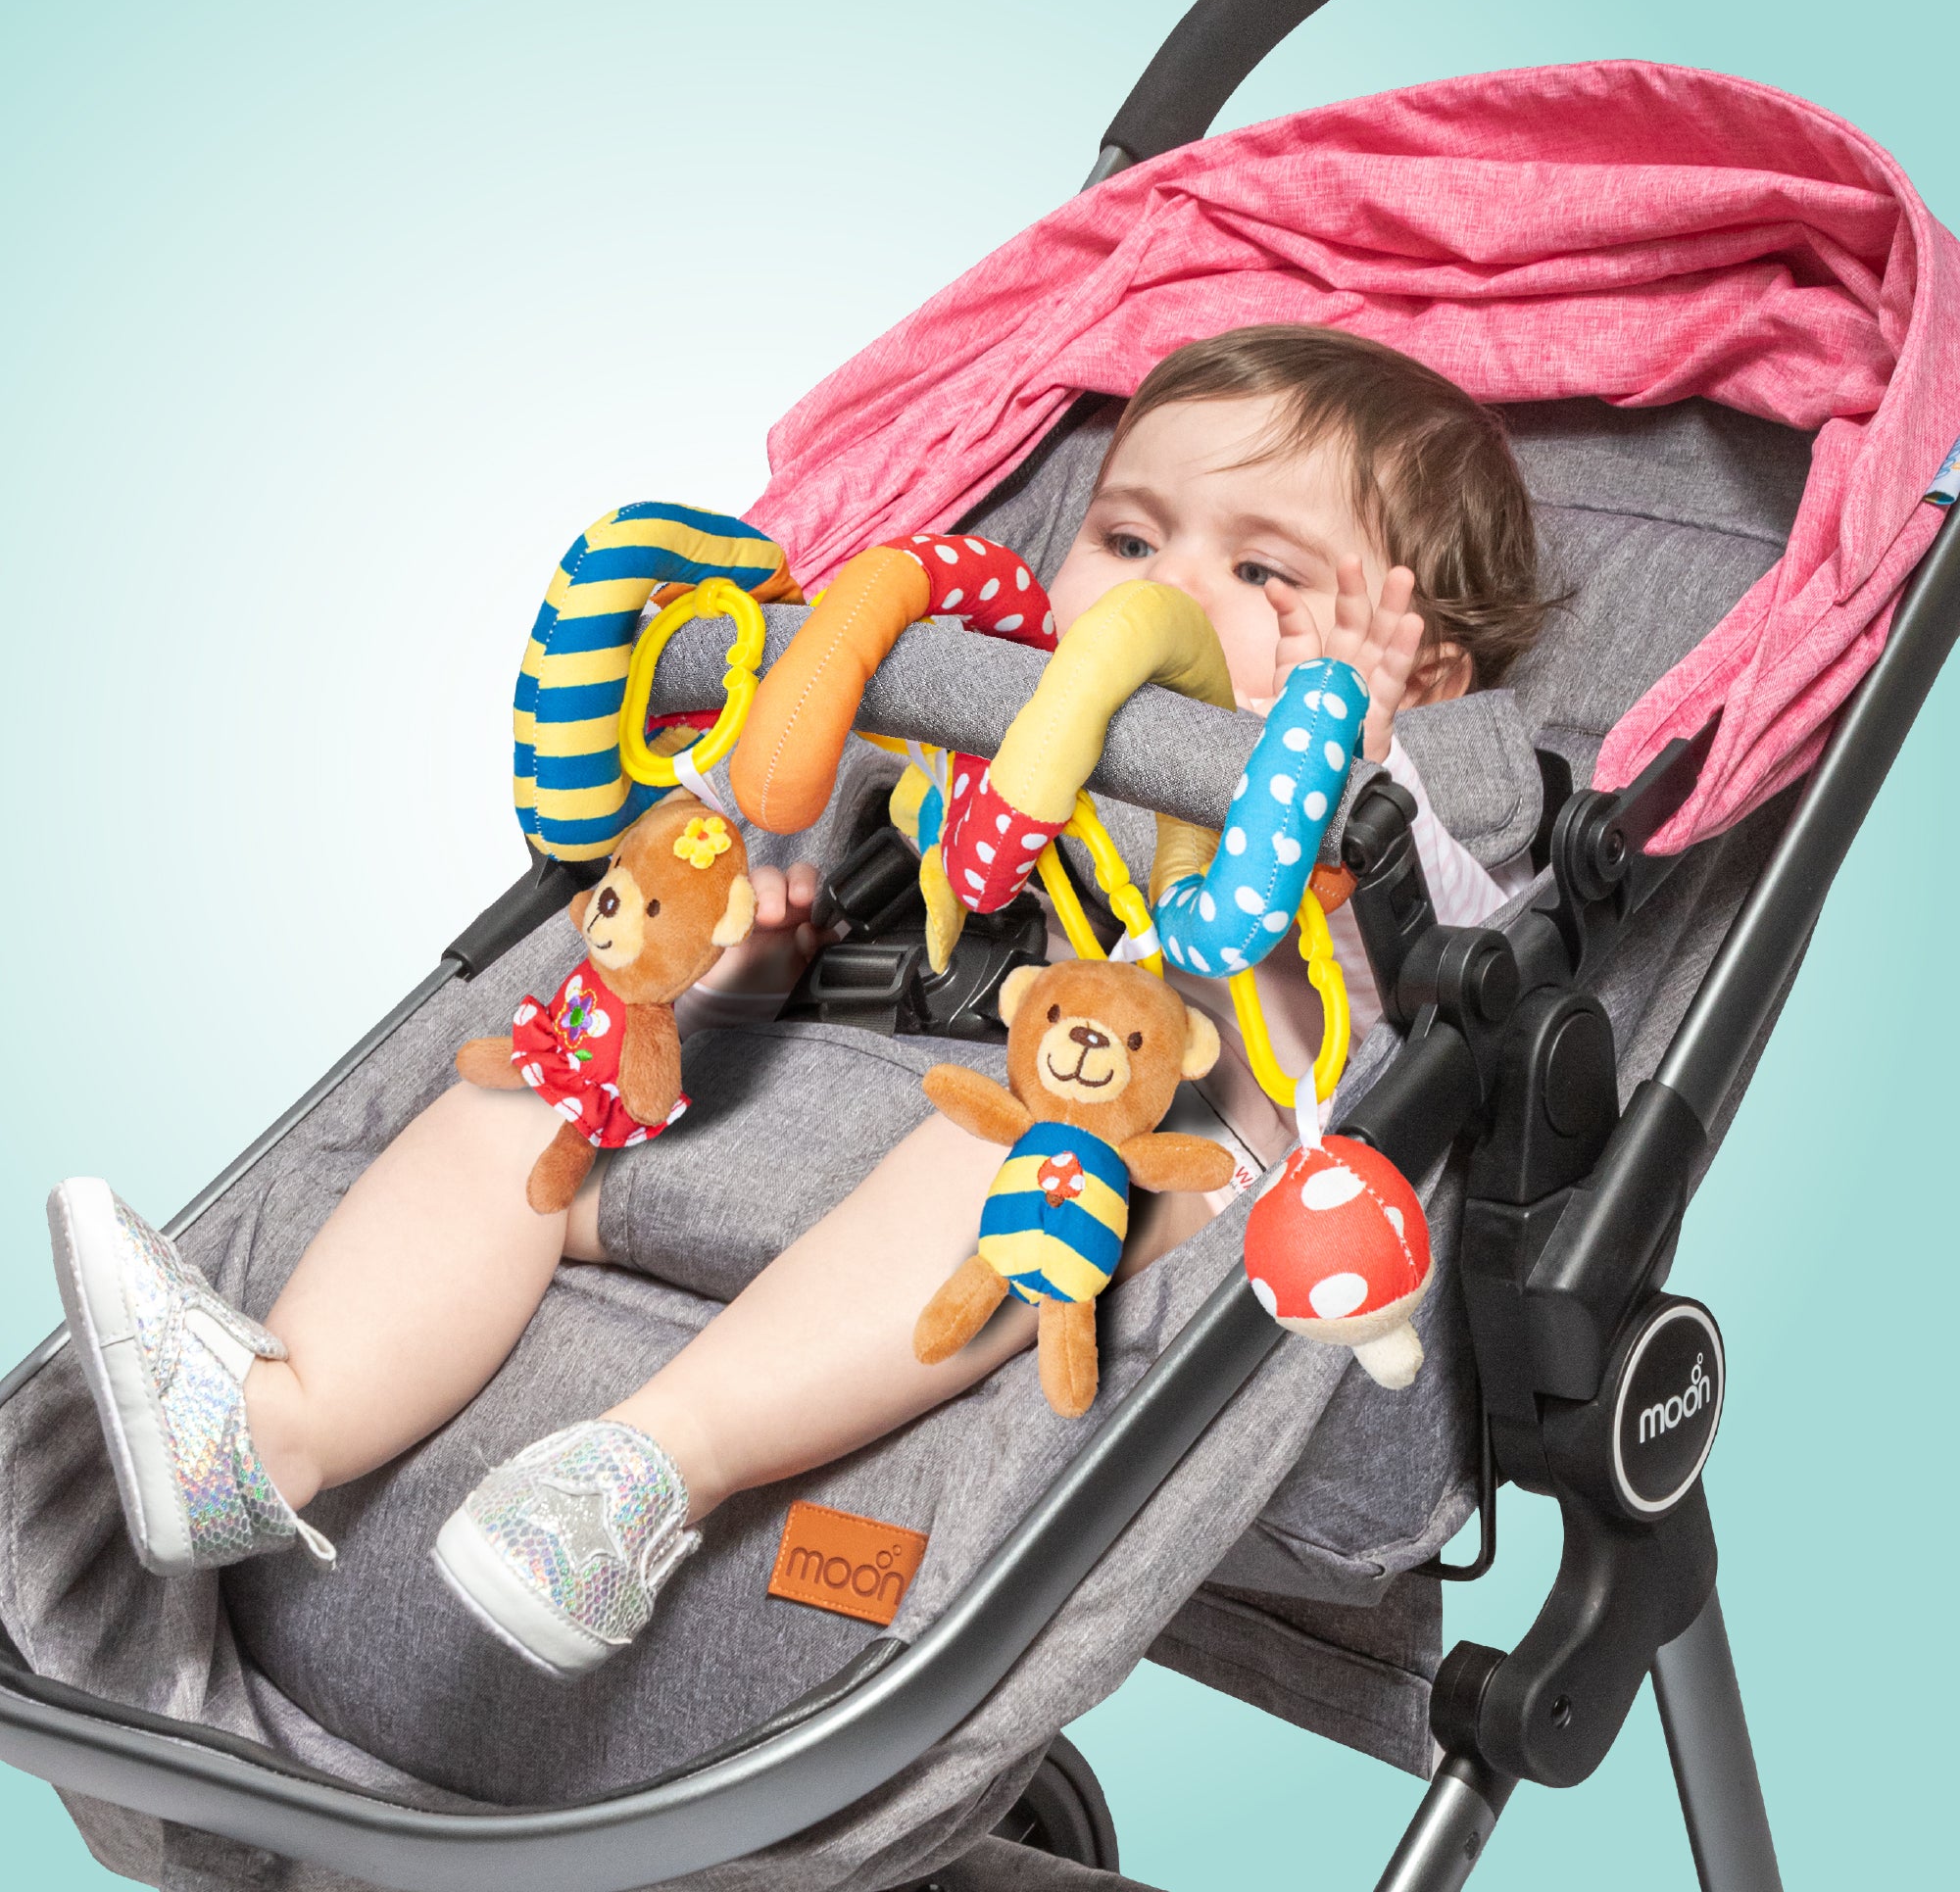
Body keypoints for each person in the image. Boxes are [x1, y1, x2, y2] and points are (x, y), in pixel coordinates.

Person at [45, 323, 1546, 1679]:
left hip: (1102, 1171)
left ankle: (644, 1477)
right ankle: (276, 1432)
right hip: (815, 1111)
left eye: (1263, 572)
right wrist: (752, 976)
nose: (1162, 591)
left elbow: (1373, 1010)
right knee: (536, 1091)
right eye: (1128, 535)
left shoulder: (1410, 803)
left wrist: (1346, 745)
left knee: (1028, 1152)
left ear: (1423, 664)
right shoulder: (972, 733)